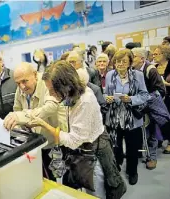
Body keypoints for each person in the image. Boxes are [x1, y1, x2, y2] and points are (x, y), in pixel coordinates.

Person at [27, 60, 126, 199]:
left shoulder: (85, 101)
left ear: (65, 85)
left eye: (52, 90)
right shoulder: (73, 94)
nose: (50, 94)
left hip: (93, 153)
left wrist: (44, 125)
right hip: (84, 152)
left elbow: (73, 140)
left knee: (95, 194)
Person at [3, 62, 67, 181]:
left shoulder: (48, 83)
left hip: (53, 140)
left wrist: (22, 117)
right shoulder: (20, 90)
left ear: (35, 75)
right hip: (35, 141)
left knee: (56, 177)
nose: (22, 86)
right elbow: (17, 109)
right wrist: (16, 125)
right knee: (41, 177)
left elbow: (51, 107)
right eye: (18, 83)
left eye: (25, 81)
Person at [105, 49, 149, 185]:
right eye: (118, 61)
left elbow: (144, 95)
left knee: (132, 147)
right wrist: (108, 98)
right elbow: (106, 93)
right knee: (115, 146)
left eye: (124, 61)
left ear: (130, 62)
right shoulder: (109, 75)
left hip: (133, 119)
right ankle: (117, 165)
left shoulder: (138, 75)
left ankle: (132, 171)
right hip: (114, 118)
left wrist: (130, 99)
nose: (120, 64)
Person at [132, 47, 167, 169]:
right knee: (137, 131)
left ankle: (152, 157)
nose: (131, 58)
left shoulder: (151, 70)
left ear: (142, 58)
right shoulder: (132, 70)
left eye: (134, 56)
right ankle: (139, 151)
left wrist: (145, 100)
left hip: (151, 105)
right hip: (138, 105)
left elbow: (161, 91)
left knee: (152, 131)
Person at [153, 45, 170, 154]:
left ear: (164, 54)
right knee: (158, 120)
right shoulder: (154, 66)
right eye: (153, 54)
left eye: (156, 54)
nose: (154, 56)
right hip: (158, 97)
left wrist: (165, 83)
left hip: (169, 96)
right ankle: (160, 139)